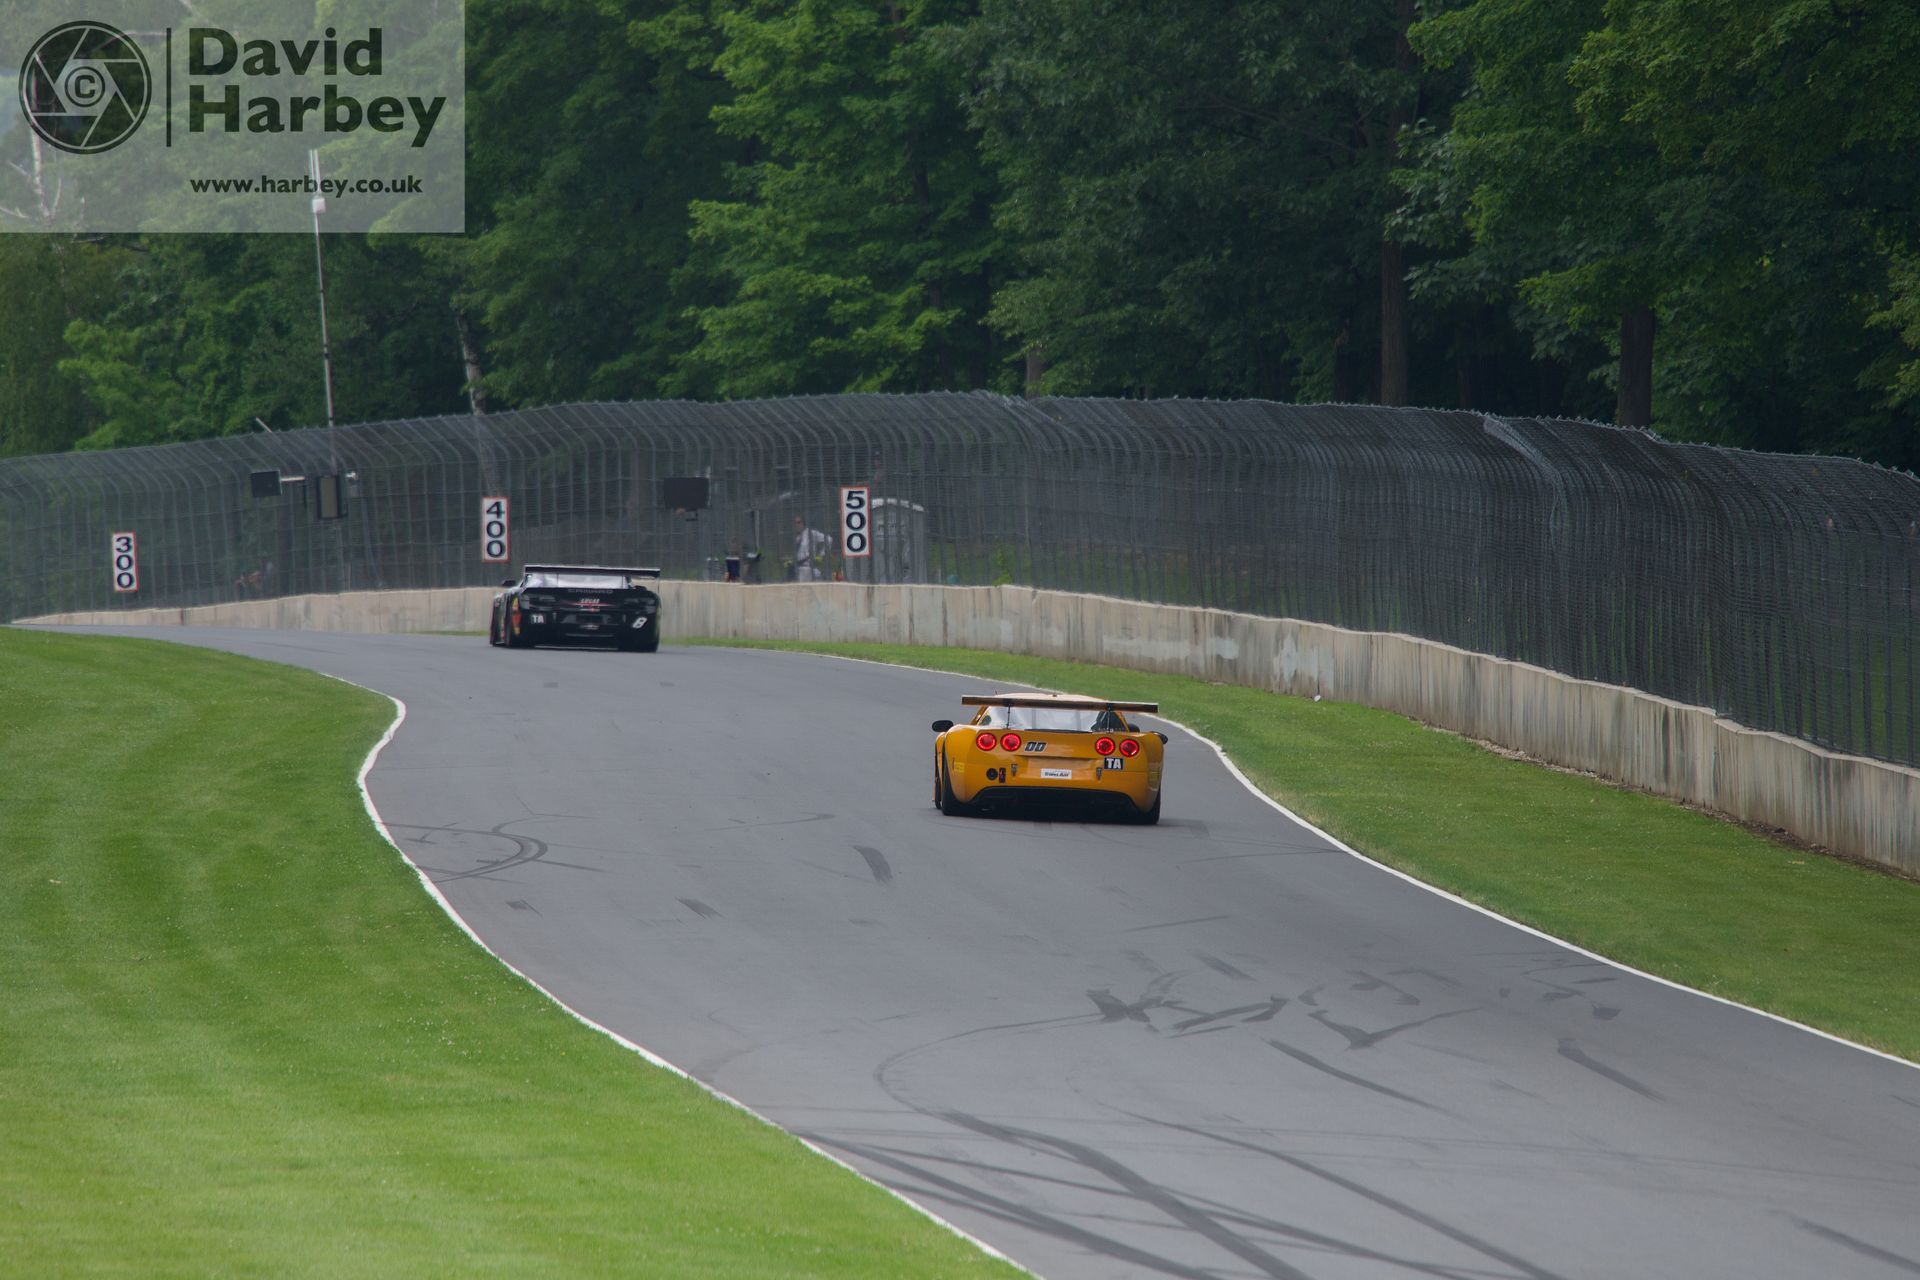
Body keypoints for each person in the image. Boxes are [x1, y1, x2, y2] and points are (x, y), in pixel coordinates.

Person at [792, 515, 829, 581]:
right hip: (798, 568)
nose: (796, 525)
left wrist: (822, 554)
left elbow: (828, 540)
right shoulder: (797, 537)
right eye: (795, 523)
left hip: (807, 567)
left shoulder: (811, 533)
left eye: (798, 522)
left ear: (803, 523)